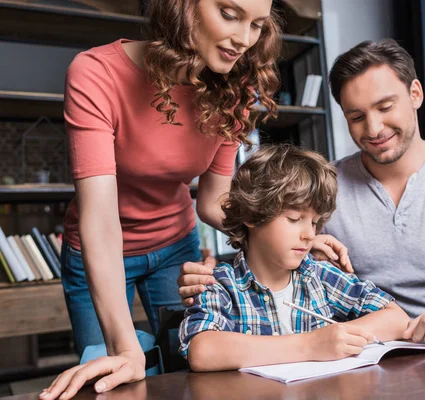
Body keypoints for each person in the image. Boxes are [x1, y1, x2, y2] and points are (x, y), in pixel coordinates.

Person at [178, 39, 425, 353]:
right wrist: (213, 278)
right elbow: (271, 247)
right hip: (366, 359)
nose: (373, 128)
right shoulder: (322, 187)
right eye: (356, 117)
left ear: (415, 94)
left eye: (385, 107)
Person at [41, 1, 281, 399]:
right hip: (97, 252)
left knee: (191, 373)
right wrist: (124, 348)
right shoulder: (95, 73)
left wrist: (278, 233)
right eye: (229, 13)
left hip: (175, 249)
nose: (244, 39)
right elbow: (99, 217)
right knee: (112, 380)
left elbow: (213, 200)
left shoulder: (235, 87)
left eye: (257, 24)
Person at [180, 144, 411, 371]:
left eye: (313, 222)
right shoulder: (220, 284)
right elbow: (202, 352)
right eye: (293, 218)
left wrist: (338, 337)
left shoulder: (320, 276)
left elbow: (397, 318)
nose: (309, 234)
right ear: (251, 215)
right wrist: (310, 345)